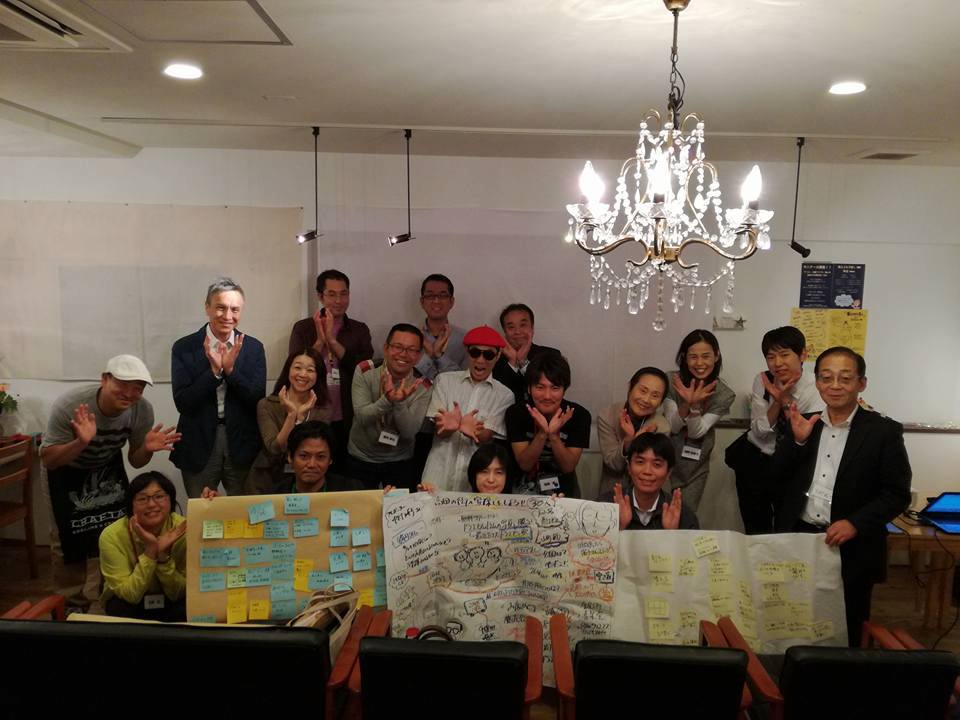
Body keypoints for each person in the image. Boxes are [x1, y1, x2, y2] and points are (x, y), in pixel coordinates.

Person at [775, 346, 911, 647]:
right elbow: (775, 478)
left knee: (847, 627)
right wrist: (798, 442)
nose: (835, 385)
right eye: (826, 378)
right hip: (800, 538)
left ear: (861, 383)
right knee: (795, 621)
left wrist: (855, 523)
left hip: (852, 547)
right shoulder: (804, 422)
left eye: (845, 378)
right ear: (817, 382)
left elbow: (897, 494)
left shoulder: (883, 431)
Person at [40, 354, 179, 612]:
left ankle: (107, 594)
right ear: (105, 379)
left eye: (137, 387)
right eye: (122, 384)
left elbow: (136, 461)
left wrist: (146, 449)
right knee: (66, 536)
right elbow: (49, 459)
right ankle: (70, 605)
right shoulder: (72, 405)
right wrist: (81, 442)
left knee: (112, 528)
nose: (129, 393)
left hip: (107, 467)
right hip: (65, 469)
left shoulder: (141, 410)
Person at [171, 278, 266, 497]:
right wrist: (213, 373)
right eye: (220, 307)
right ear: (207, 307)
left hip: (242, 442)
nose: (227, 315)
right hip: (199, 441)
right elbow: (183, 403)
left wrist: (231, 372)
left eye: (235, 309)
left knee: (244, 510)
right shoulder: (185, 347)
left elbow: (257, 400)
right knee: (203, 510)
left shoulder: (253, 348)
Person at [732, 326, 824, 535]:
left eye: (784, 355)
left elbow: (802, 434)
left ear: (803, 355)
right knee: (755, 527)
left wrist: (785, 399)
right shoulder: (763, 380)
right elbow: (759, 431)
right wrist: (776, 401)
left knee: (787, 526)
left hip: (793, 467)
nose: (777, 363)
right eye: (771, 357)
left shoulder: (816, 386)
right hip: (758, 460)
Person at [287, 269, 374, 463]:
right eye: (332, 294)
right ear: (320, 296)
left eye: (344, 294)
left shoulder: (359, 330)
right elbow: (297, 367)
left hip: (347, 414)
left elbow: (364, 369)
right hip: (310, 412)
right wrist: (320, 340)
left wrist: (332, 341)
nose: (339, 300)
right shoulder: (303, 328)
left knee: (343, 469)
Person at [421, 326, 515, 491]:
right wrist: (448, 427)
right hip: (437, 474)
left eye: (488, 355)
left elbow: (487, 436)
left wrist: (475, 432)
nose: (481, 360)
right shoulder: (444, 380)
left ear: (498, 355)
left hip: (474, 481)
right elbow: (439, 430)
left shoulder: (505, 395)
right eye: (475, 353)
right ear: (467, 351)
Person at [345, 323, 432, 491]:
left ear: (419, 355)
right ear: (386, 348)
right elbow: (362, 417)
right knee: (359, 506)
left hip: (400, 460)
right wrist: (387, 400)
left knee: (399, 507)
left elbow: (409, 431)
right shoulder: (365, 371)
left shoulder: (422, 385)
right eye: (398, 347)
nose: (403, 354)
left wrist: (399, 402)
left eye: (411, 350)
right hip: (361, 456)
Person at [662, 329, 735, 513]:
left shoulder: (724, 394)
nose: (700, 363)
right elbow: (672, 426)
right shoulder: (671, 381)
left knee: (684, 515)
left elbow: (697, 432)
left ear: (716, 356)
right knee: (657, 515)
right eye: (693, 357)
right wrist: (686, 404)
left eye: (706, 356)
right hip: (662, 458)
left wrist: (694, 407)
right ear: (684, 358)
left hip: (695, 466)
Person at [98, 471, 187, 621]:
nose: (151, 504)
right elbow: (129, 595)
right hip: (128, 603)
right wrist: (150, 552)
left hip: (172, 601)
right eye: (142, 499)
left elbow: (181, 592)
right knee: (120, 608)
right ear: (131, 505)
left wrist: (163, 558)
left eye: (159, 496)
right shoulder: (112, 535)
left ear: (171, 500)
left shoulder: (183, 529)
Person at [245, 348, 332, 495]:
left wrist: (300, 418)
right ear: (288, 370)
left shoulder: (323, 409)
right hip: (266, 479)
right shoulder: (267, 405)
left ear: (318, 375)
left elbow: (310, 447)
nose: (303, 374)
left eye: (310, 370)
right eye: (297, 367)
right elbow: (275, 448)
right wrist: (292, 415)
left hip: (305, 482)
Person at [505, 352, 591, 498]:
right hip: (522, 490)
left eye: (555, 388)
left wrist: (554, 436)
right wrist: (542, 434)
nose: (547, 396)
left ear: (564, 390)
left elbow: (568, 466)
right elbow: (525, 464)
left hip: (563, 492)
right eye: (540, 387)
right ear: (529, 388)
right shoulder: (516, 413)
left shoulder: (578, 415)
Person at [596, 366, 671, 499]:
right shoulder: (607, 416)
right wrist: (629, 441)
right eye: (643, 391)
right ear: (630, 387)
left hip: (649, 493)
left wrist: (637, 441)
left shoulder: (661, 426)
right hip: (614, 490)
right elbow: (613, 464)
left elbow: (652, 469)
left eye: (655, 396)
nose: (646, 400)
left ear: (660, 402)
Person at [607, 433, 699, 530]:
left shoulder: (683, 515)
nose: (647, 471)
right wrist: (619, 527)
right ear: (629, 468)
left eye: (657, 464)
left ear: (668, 472)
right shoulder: (605, 506)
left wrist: (672, 533)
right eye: (640, 462)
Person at [492, 303, 561, 404]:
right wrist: (512, 362)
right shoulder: (492, 358)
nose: (517, 331)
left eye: (523, 325)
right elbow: (496, 397)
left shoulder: (551, 355)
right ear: (504, 331)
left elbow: (551, 391)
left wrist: (523, 362)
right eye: (511, 327)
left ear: (532, 328)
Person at [414, 274, 467, 382]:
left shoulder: (465, 339)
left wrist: (439, 356)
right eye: (430, 296)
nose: (436, 301)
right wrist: (429, 355)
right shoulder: (410, 337)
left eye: (442, 296)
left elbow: (465, 381)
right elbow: (406, 376)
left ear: (451, 301)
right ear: (422, 302)